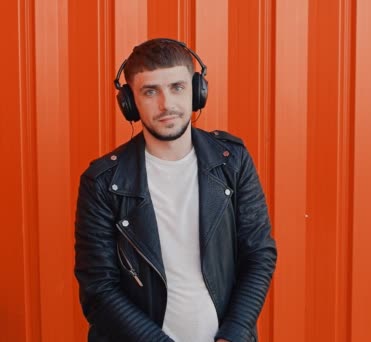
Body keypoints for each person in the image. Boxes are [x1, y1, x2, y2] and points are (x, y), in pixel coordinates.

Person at [74, 38, 277, 342]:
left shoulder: (231, 161)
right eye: (150, 91)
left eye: (177, 87)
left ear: (197, 91)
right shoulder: (102, 181)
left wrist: (233, 334)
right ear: (129, 102)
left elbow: (259, 254)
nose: (166, 104)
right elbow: (99, 288)